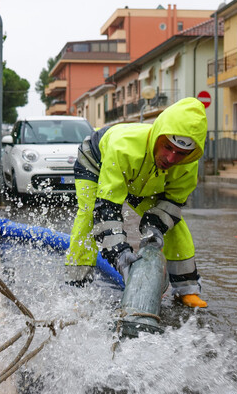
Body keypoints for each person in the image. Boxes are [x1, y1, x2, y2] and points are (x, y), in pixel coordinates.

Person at [64, 97, 208, 309]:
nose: (170, 158)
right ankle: (77, 283)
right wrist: (120, 254)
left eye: (181, 153)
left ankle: (187, 288)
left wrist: (154, 229)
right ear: (158, 136)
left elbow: (171, 205)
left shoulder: (188, 167)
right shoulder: (123, 146)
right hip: (96, 162)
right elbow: (106, 210)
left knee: (175, 227)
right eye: (167, 147)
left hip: (142, 180)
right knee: (88, 216)